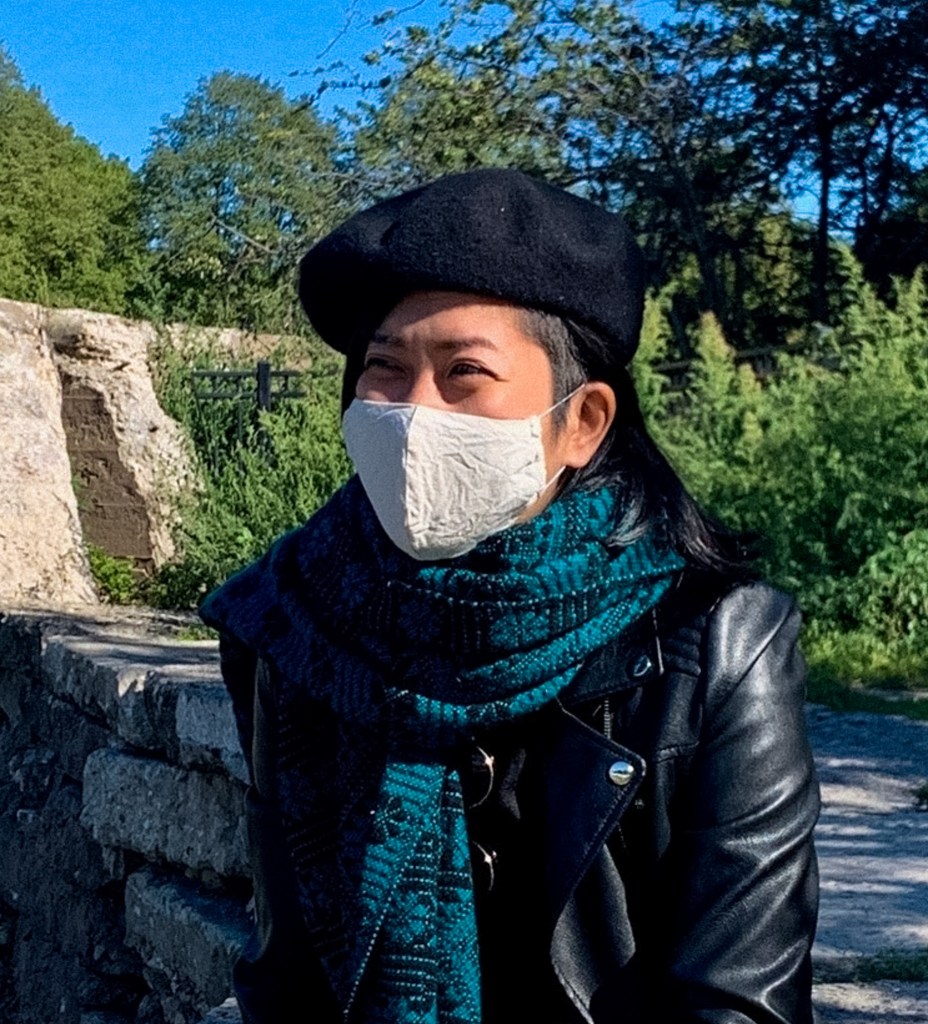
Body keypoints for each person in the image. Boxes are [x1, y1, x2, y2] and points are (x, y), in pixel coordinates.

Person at [201, 168, 820, 1024]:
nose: (413, 413)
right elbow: (286, 968)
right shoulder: (295, 621)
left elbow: (738, 999)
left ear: (582, 422)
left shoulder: (718, 641)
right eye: (384, 368)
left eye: (464, 374)